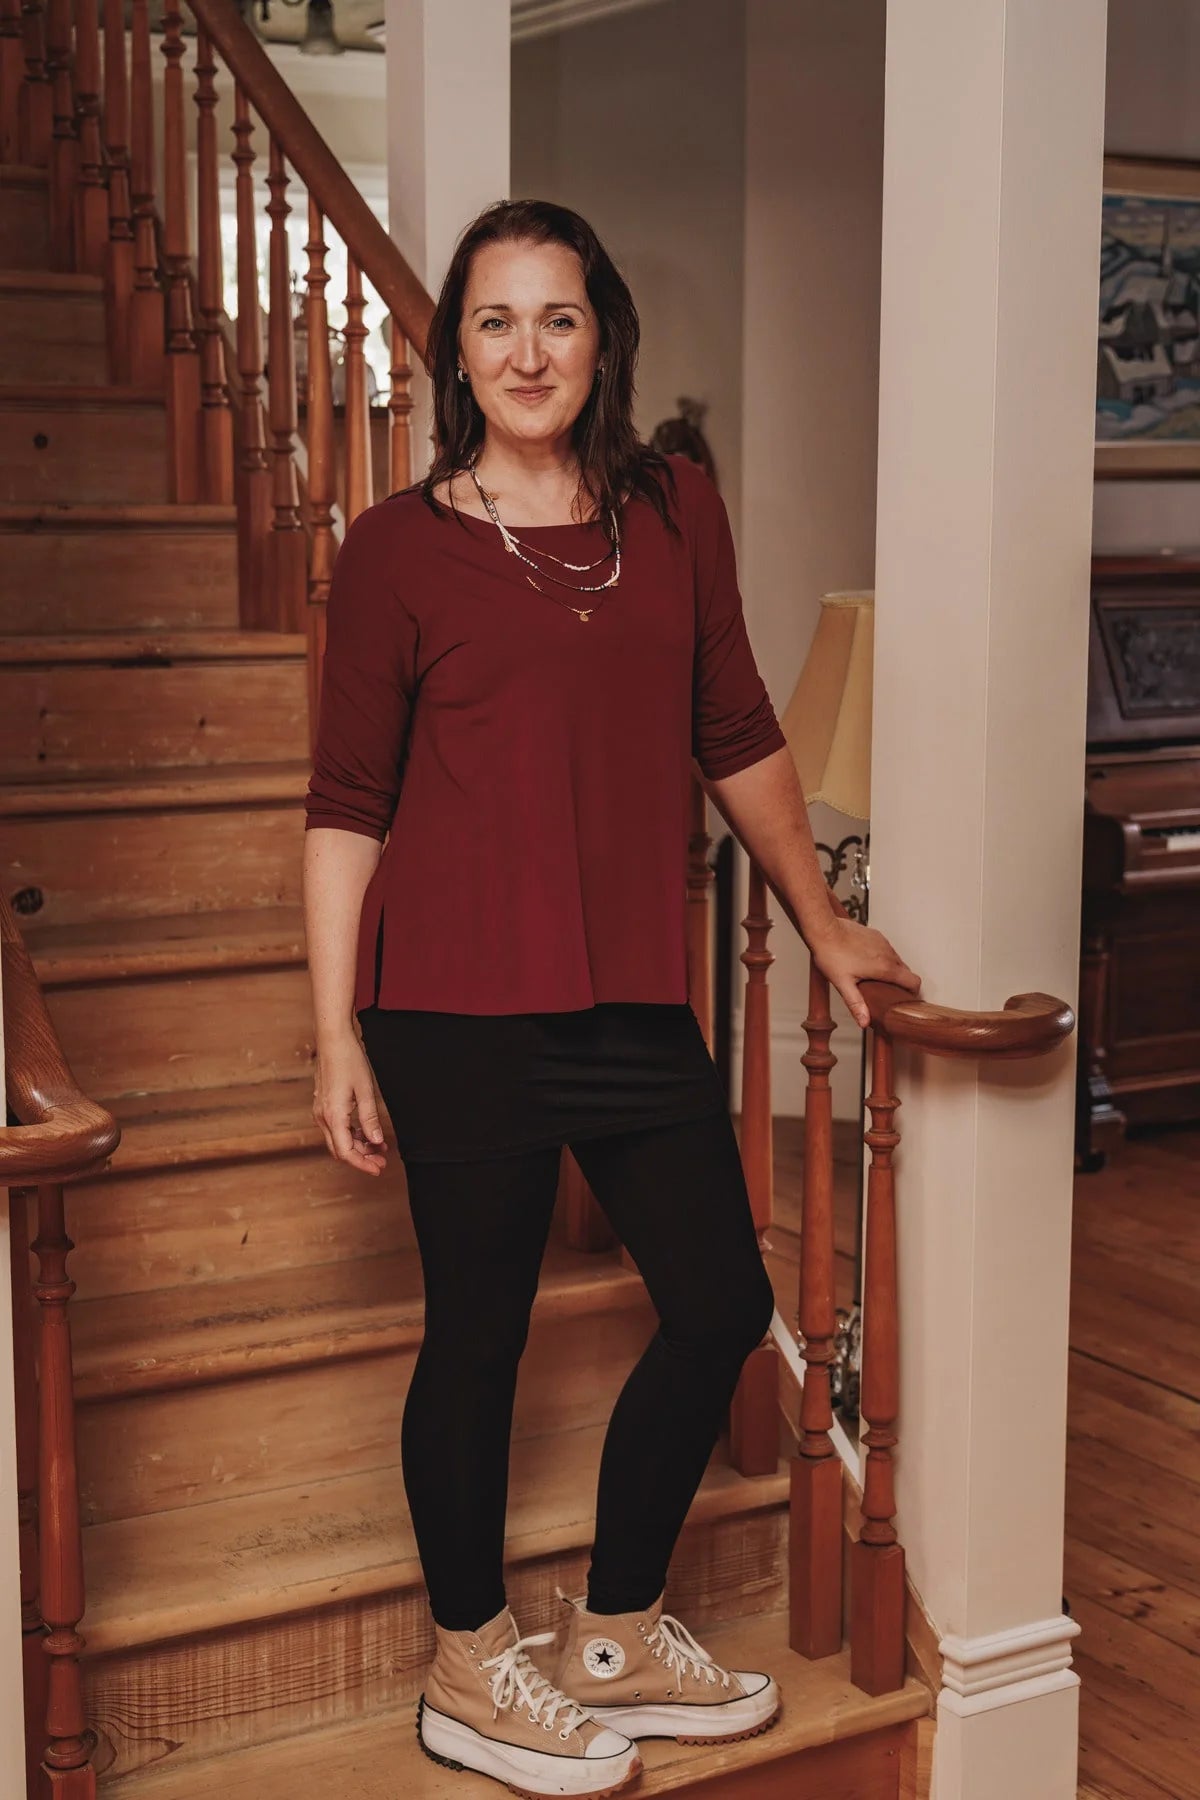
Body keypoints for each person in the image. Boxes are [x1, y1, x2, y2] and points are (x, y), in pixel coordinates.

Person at [302, 197, 921, 1800]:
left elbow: (739, 729)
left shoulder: (672, 509)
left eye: (558, 318)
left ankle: (617, 1628)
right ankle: (467, 1663)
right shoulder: (396, 550)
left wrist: (825, 923)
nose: (528, 351)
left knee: (718, 1305)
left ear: (603, 338)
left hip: (630, 994)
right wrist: (335, 1031)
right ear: (456, 351)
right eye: (495, 321)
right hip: (454, 1001)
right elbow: (347, 805)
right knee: (480, 1339)